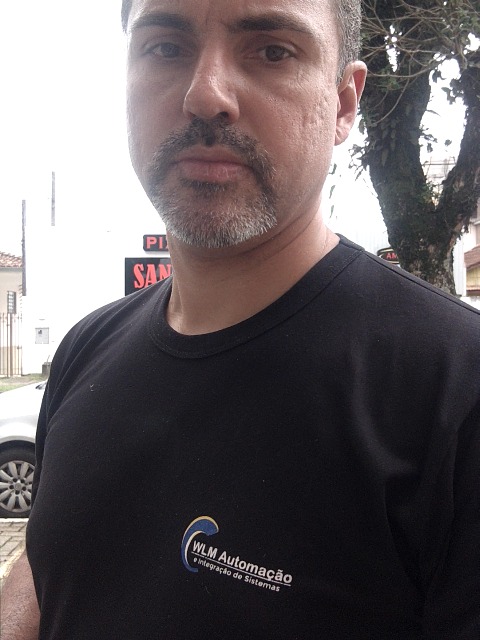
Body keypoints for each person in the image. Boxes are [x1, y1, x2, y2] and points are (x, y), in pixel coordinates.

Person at [1, 0, 479, 637]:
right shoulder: (86, 347)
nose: (205, 96)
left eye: (273, 51)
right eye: (166, 48)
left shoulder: (456, 393)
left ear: (343, 103)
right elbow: (45, 570)